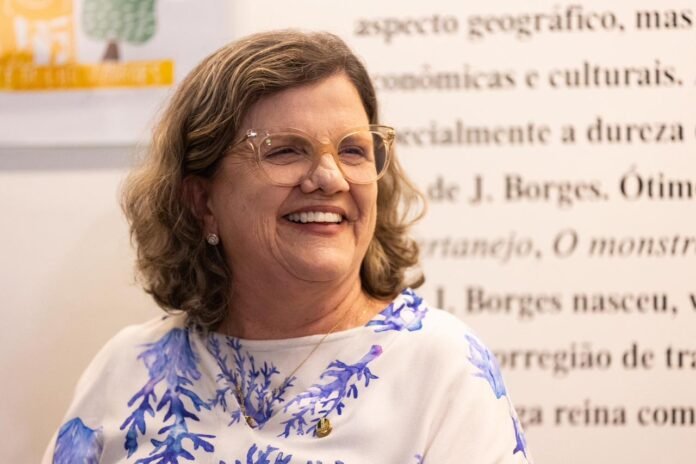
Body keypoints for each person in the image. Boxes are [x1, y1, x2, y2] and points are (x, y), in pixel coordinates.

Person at [43, 30, 531, 464]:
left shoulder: (441, 367)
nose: (330, 178)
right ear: (202, 201)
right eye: (285, 150)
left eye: (353, 150)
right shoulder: (128, 366)